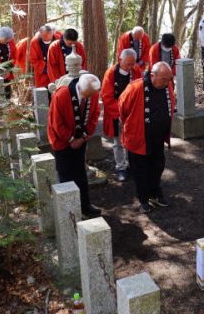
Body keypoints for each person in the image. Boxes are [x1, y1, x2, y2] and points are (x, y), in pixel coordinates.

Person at [119, 62, 175, 214]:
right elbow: (122, 109)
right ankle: (143, 199)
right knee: (140, 170)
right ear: (152, 75)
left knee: (157, 166)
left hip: (158, 137)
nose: (167, 83)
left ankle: (155, 193)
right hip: (138, 138)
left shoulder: (167, 86)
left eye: (169, 79)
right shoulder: (135, 87)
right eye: (163, 79)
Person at [48, 73, 102, 216]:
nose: (89, 98)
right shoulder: (62, 95)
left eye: (92, 95)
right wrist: (71, 139)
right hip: (62, 140)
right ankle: (69, 212)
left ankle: (85, 205)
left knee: (80, 173)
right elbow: (56, 122)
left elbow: (95, 115)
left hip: (81, 138)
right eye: (86, 95)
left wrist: (83, 137)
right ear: (79, 88)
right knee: (65, 174)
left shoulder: (93, 93)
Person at [101, 49, 142, 182]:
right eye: (128, 64)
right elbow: (107, 97)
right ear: (120, 60)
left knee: (133, 140)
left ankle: (132, 164)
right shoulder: (110, 74)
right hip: (117, 113)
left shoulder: (136, 70)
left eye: (132, 64)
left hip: (133, 113)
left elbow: (140, 89)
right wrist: (121, 114)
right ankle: (121, 167)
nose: (130, 67)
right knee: (118, 141)